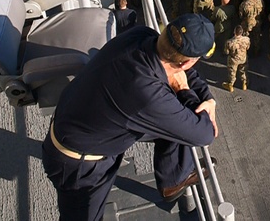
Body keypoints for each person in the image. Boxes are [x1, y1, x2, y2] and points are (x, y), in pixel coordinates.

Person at [42, 14, 218, 220]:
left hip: (89, 122)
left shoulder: (141, 36)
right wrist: (185, 91)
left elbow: (188, 76)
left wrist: (208, 98)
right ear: (186, 62)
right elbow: (204, 134)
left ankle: (173, 180)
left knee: (175, 117)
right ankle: (172, 180)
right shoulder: (148, 95)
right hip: (79, 165)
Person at [222, 25, 251, 92]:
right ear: (242, 32)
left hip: (233, 59)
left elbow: (226, 52)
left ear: (234, 32)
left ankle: (230, 85)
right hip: (243, 58)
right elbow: (248, 48)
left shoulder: (229, 42)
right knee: (243, 70)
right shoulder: (247, 39)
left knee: (232, 72)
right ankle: (244, 84)